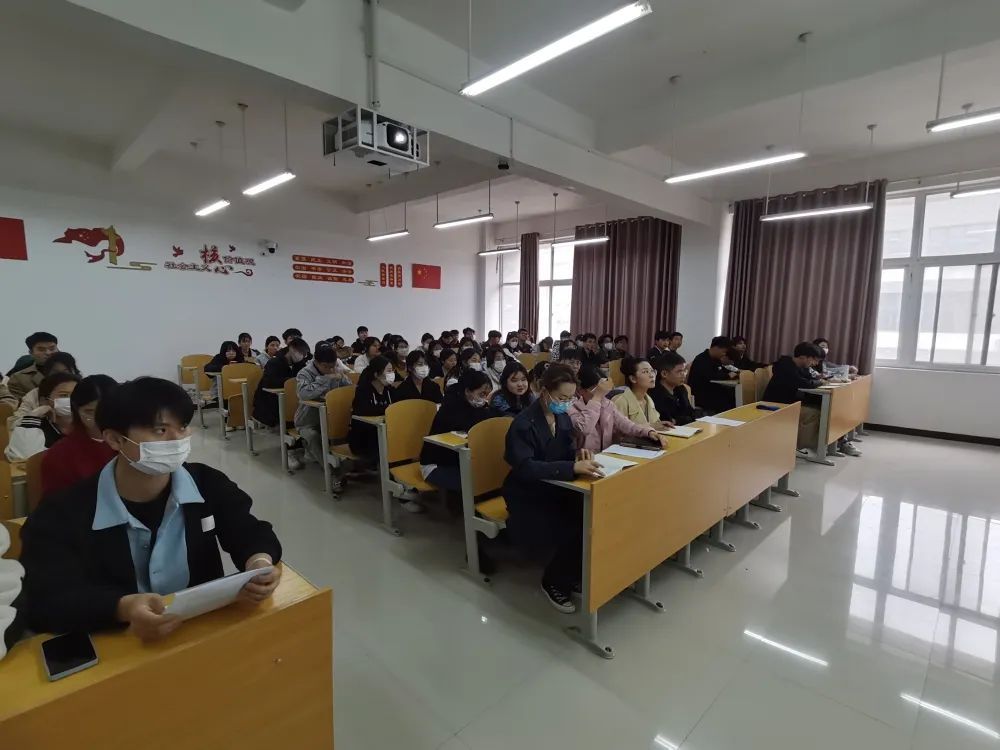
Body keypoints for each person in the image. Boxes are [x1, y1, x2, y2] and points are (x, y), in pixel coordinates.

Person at [20, 376, 281, 638]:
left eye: (182, 427)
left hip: (201, 632)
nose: (177, 439)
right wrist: (121, 607)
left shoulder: (207, 483)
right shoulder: (61, 512)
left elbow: (249, 531)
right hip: (121, 645)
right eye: (160, 430)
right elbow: (45, 599)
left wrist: (258, 562)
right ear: (115, 439)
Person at [503, 363, 603, 613]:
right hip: (527, 494)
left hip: (555, 488)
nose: (565, 403)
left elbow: (564, 451)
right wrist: (571, 468)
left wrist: (578, 455)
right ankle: (554, 581)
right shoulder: (523, 423)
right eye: (561, 398)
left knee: (592, 515)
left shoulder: (562, 418)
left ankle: (570, 573)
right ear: (543, 391)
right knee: (572, 526)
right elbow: (526, 467)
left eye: (570, 399)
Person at [40, 375, 118, 496]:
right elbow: (57, 502)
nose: (99, 418)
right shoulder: (60, 454)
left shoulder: (131, 444)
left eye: (107, 410)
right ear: (76, 410)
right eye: (89, 411)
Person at [419, 369, 494, 492]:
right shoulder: (451, 407)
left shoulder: (476, 405)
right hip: (436, 465)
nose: (484, 399)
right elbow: (467, 427)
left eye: (487, 395)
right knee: (477, 483)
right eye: (481, 394)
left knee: (493, 477)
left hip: (459, 462)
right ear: (467, 391)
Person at [762, 342, 843, 453]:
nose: (815, 364)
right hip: (778, 404)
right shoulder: (785, 366)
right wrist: (821, 382)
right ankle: (803, 447)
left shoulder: (801, 366)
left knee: (827, 408)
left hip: (791, 401)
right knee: (815, 413)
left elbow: (809, 379)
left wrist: (820, 380)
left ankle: (825, 443)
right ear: (803, 357)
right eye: (814, 360)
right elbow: (805, 383)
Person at [572, 365, 665, 452]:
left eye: (603, 389)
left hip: (607, 456)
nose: (602, 393)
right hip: (584, 459)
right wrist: (597, 396)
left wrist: (648, 432)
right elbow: (585, 429)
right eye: (596, 389)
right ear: (581, 390)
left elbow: (627, 425)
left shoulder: (608, 405)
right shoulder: (572, 408)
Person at [294, 346, 352, 474]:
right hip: (309, 421)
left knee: (348, 431)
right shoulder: (304, 373)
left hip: (332, 418)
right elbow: (303, 394)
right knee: (313, 436)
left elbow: (349, 389)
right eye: (326, 367)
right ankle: (330, 471)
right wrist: (326, 379)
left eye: (333, 366)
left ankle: (348, 463)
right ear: (316, 362)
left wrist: (342, 377)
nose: (330, 370)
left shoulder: (335, 368)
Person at [6, 372, 81, 461]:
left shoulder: (89, 426)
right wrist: (33, 416)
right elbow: (25, 459)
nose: (71, 400)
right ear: (44, 400)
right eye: (64, 395)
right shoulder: (33, 427)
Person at [10, 352, 80, 428]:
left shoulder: (84, 390)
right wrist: (35, 415)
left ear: (74, 372)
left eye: (65, 372)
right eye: (55, 373)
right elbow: (13, 424)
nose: (61, 376)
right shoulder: (35, 394)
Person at [253, 338, 310, 430]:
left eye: (304, 354)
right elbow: (270, 383)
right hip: (268, 403)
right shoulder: (274, 362)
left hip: (286, 400)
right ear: (291, 349)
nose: (302, 356)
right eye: (301, 353)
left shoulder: (299, 364)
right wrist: (291, 382)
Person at [611, 357, 668, 428]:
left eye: (652, 371)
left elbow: (656, 423)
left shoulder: (648, 399)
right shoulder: (620, 401)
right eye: (645, 372)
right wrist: (651, 426)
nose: (651, 375)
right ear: (633, 378)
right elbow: (618, 430)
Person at [687, 336, 738, 414]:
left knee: (732, 395)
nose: (724, 354)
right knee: (727, 399)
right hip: (702, 395)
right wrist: (728, 376)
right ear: (716, 348)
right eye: (723, 352)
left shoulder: (716, 360)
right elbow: (711, 376)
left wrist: (733, 374)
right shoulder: (701, 359)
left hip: (712, 391)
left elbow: (723, 371)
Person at [650, 352, 697, 425]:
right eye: (679, 371)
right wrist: (683, 419)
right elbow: (667, 421)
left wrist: (677, 421)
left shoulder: (681, 389)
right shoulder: (655, 393)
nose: (684, 375)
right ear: (664, 374)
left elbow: (692, 415)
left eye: (685, 370)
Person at [7, 332, 59, 399]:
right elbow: (20, 404)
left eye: (52, 349)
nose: (48, 353)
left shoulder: (70, 372)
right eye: (41, 350)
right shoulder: (18, 379)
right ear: (31, 353)